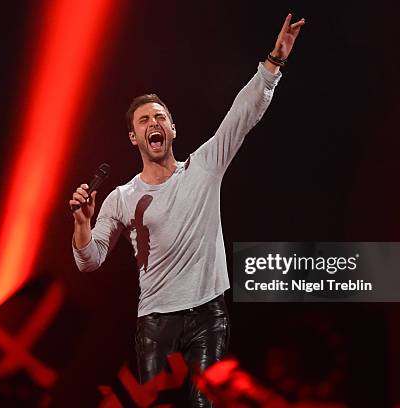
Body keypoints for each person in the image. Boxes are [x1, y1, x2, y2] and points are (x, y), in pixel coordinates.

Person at [70, 13, 305, 407]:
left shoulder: (205, 166)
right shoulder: (123, 197)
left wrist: (275, 62)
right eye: (144, 120)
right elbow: (89, 261)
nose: (153, 122)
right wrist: (81, 223)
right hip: (156, 323)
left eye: (160, 116)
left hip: (209, 317)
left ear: (173, 129)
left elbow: (242, 114)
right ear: (134, 137)